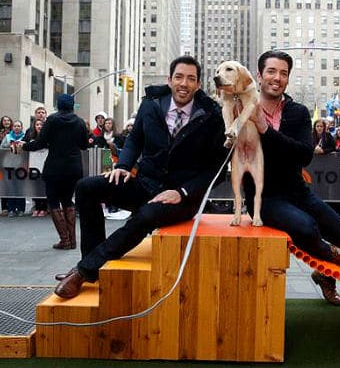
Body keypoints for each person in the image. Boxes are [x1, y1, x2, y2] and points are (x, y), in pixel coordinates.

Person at [53, 55, 227, 299]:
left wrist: (182, 192)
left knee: (146, 214)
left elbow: (218, 168)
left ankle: (83, 271)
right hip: (146, 184)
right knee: (86, 187)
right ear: (169, 80)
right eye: (179, 77)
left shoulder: (211, 115)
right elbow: (135, 139)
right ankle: (92, 264)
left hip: (181, 198)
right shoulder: (152, 103)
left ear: (198, 84)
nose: (184, 84)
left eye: (191, 79)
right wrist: (123, 165)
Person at [244, 51, 340, 307]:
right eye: (271, 71)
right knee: (306, 227)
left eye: (283, 73)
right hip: (263, 197)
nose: (277, 78)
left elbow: (303, 155)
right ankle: (332, 264)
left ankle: (323, 274)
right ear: (259, 75)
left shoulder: (298, 112)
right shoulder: (243, 108)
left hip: (298, 191)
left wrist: (265, 131)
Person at [19, 94, 88, 250]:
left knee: (53, 201)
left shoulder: (52, 120)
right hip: (74, 167)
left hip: (55, 166)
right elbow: (84, 145)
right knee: (68, 200)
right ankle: (72, 240)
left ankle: (65, 240)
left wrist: (24, 146)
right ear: (72, 105)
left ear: (58, 105)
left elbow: (40, 143)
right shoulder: (79, 122)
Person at [0, 120, 27, 216]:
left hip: (21, 165)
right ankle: (11, 209)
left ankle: (21, 209)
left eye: (19, 126)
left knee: (20, 187)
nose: (16, 127)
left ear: (21, 127)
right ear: (12, 127)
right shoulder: (7, 137)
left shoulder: (25, 137)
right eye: (15, 126)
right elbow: (0, 148)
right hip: (9, 164)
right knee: (10, 187)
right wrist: (9, 145)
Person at [23, 118, 48, 216]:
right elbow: (24, 145)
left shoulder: (48, 136)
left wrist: (32, 145)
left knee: (44, 187)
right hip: (34, 165)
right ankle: (37, 207)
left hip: (45, 164)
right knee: (36, 187)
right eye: (37, 125)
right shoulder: (30, 136)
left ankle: (44, 208)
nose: (39, 126)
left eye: (41, 125)